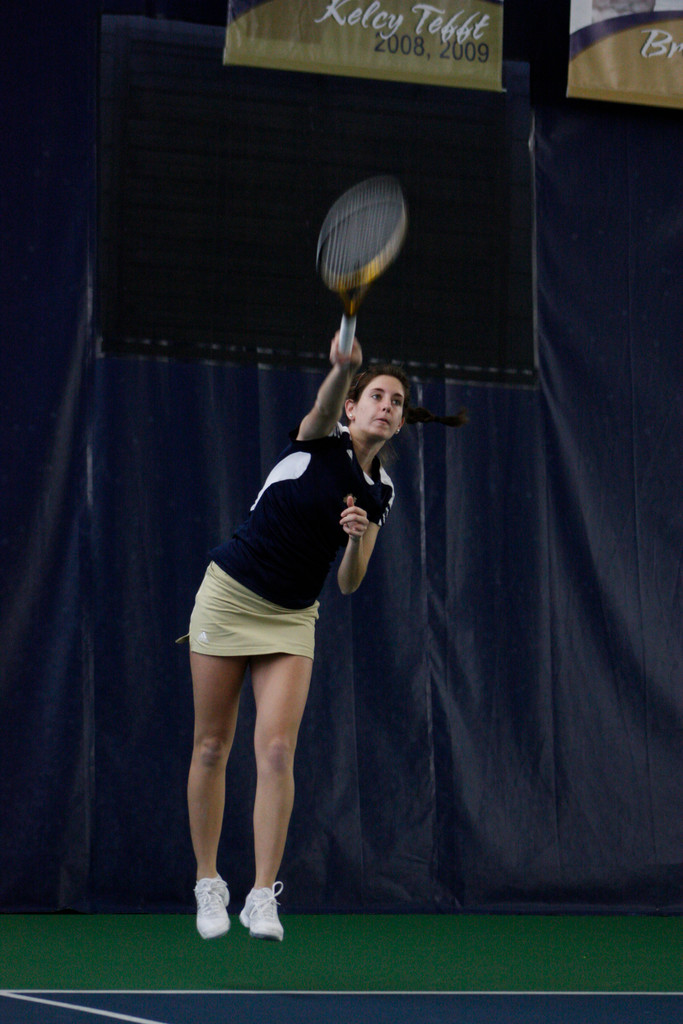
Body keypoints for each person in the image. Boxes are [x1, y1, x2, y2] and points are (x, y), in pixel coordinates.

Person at [181, 331, 466, 942]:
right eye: (377, 396)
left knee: (277, 751)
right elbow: (321, 402)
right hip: (229, 595)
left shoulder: (380, 491)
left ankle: (261, 896)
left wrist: (360, 534)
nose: (388, 406)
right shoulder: (318, 438)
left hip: (292, 617)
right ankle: (209, 883)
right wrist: (343, 368)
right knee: (212, 745)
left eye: (397, 401)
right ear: (352, 408)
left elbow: (350, 583)